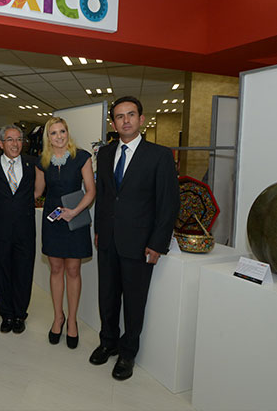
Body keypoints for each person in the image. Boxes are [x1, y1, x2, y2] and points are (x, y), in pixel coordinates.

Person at [91, 96, 179, 381]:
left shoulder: (160, 155)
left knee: (133, 301)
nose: (125, 120)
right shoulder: (105, 153)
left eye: (130, 115)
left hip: (140, 243)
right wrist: (99, 229)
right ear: (113, 123)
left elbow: (168, 203)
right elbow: (105, 196)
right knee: (107, 296)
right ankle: (108, 342)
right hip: (108, 240)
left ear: (141, 119)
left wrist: (157, 243)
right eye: (119, 116)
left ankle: (127, 353)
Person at [34, 117, 95, 349]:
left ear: (67, 133)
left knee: (73, 270)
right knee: (56, 269)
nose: (59, 136)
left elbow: (91, 191)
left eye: (62, 131)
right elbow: (38, 191)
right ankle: (58, 317)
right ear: (47, 137)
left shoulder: (82, 157)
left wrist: (74, 212)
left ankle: (72, 321)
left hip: (75, 218)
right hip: (53, 221)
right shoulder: (42, 162)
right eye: (53, 133)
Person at [0, 125, 38, 334]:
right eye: (10, 140)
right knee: (2, 271)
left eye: (18, 139)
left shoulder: (33, 163)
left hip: (25, 229)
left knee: (24, 272)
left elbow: (40, 190)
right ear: (0, 143)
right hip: (0, 229)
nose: (15, 144)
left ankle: (20, 315)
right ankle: (6, 314)